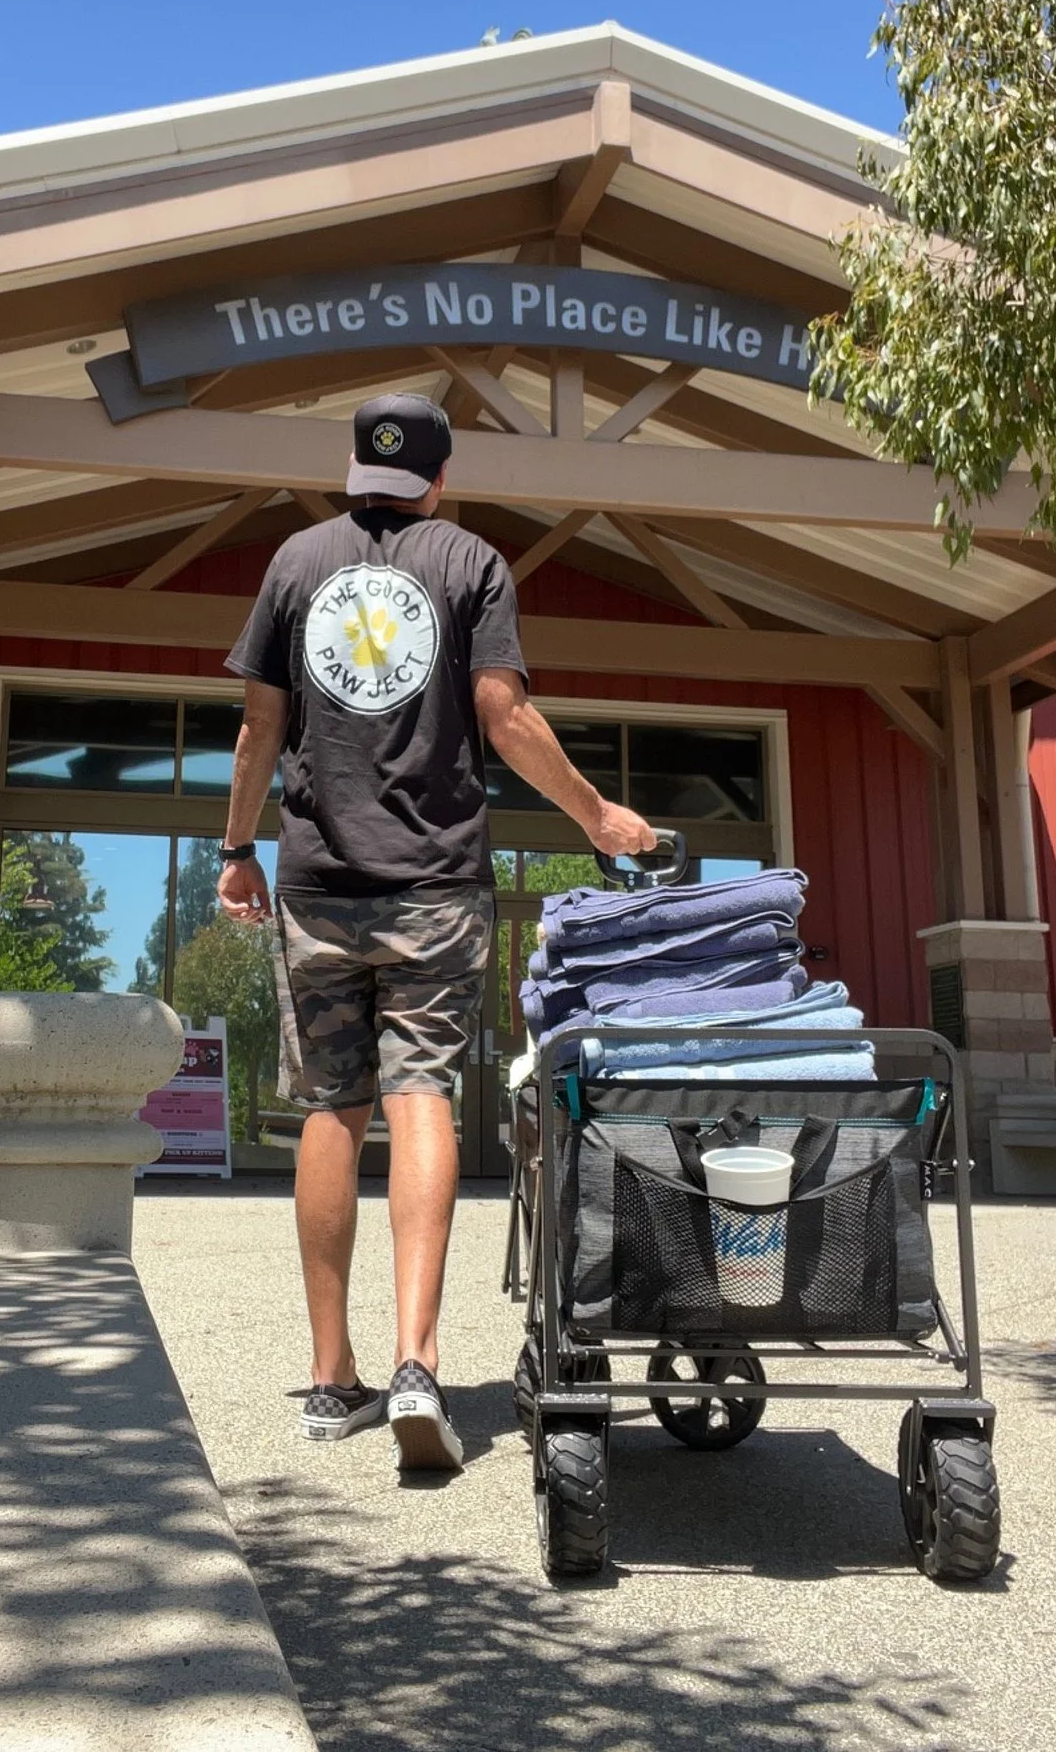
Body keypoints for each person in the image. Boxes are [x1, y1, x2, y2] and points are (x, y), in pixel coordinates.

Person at [218, 392, 656, 1472]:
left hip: (319, 883)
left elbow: (259, 724)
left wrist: (235, 848)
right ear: (440, 478)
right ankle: (417, 1362)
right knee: (420, 1094)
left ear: (353, 471)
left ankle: (332, 1378)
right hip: (435, 884)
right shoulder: (471, 564)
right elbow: (504, 715)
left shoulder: (295, 561)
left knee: (332, 1105)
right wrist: (596, 815)